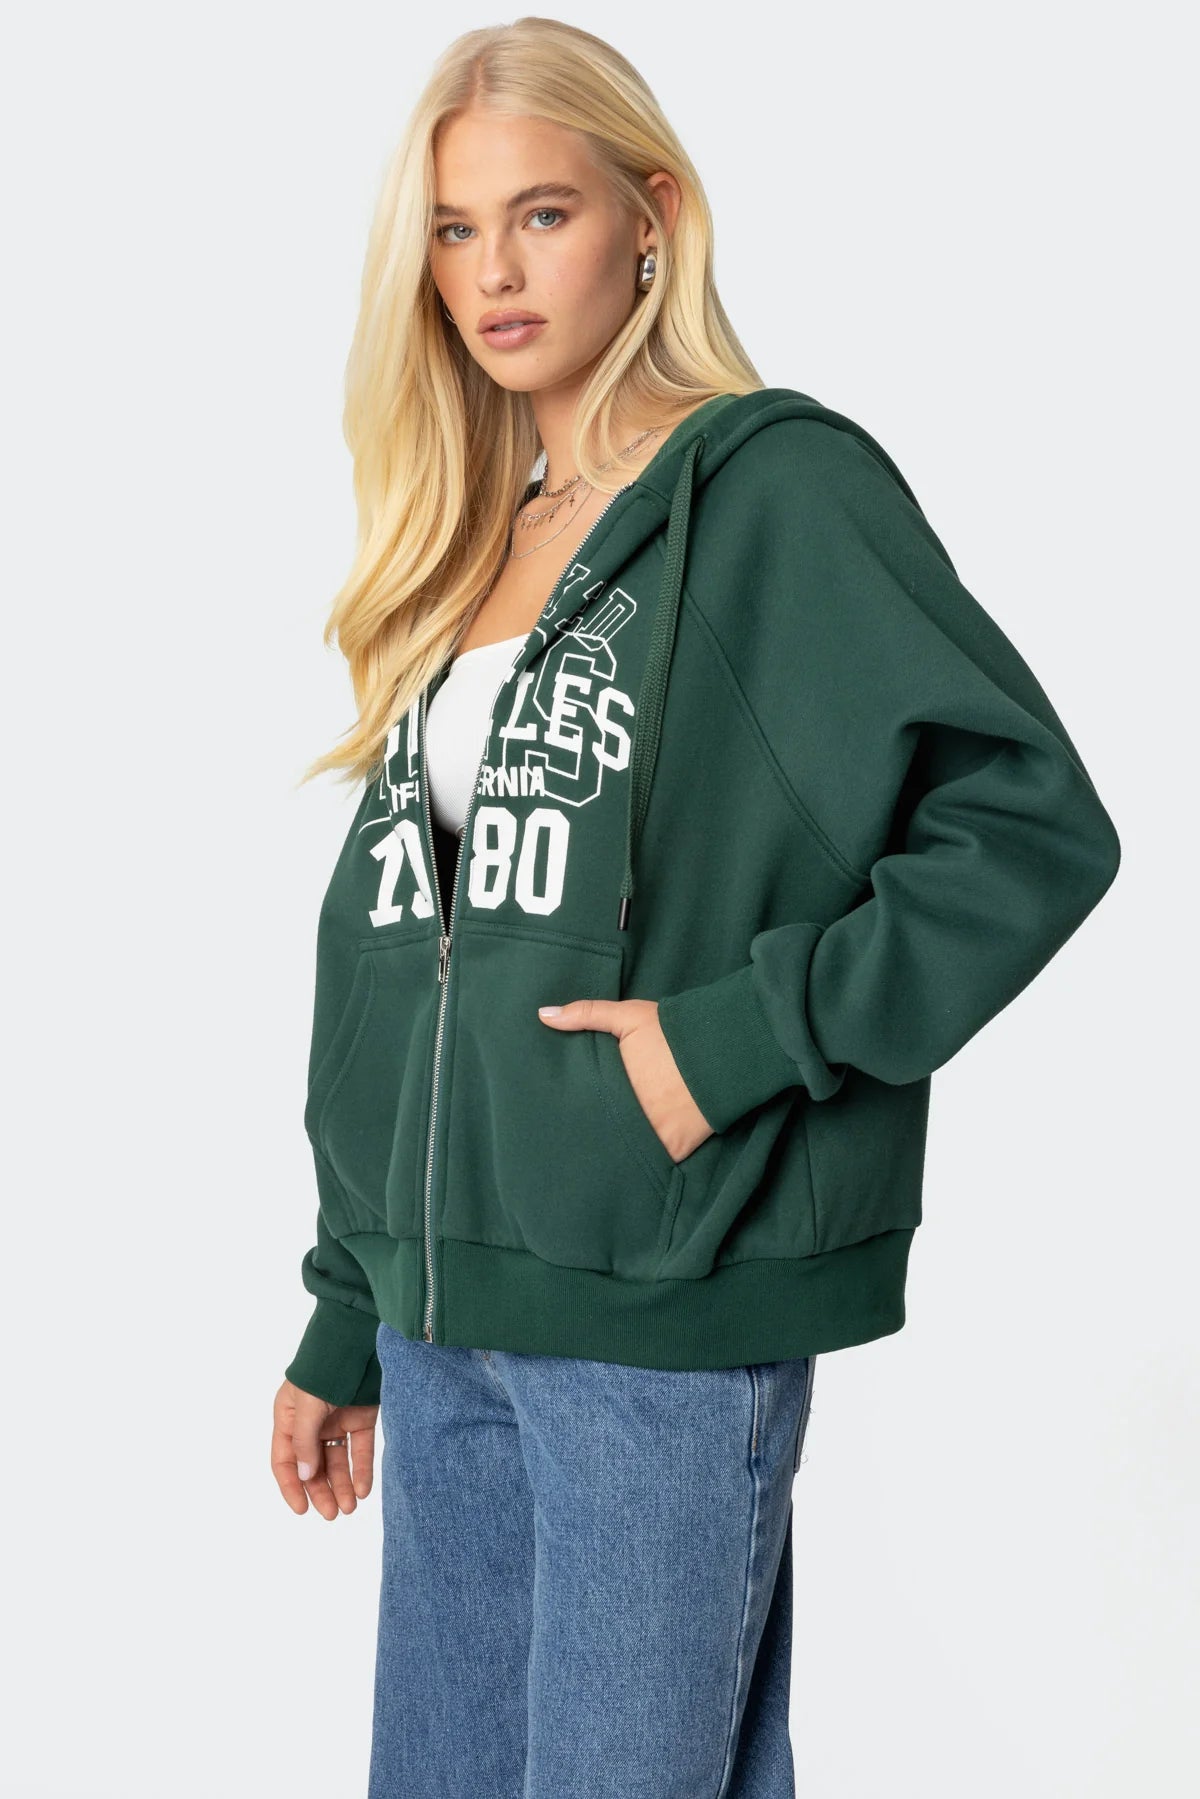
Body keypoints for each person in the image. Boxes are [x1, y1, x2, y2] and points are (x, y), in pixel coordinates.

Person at [269, 18, 1121, 1797]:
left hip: (660, 1311)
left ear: (650, 217)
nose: (492, 274)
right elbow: (402, 959)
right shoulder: (472, 537)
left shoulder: (775, 492)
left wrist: (730, 1044)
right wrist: (350, 1303)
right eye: (453, 230)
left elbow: (1030, 827)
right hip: (444, 1324)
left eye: (542, 214)